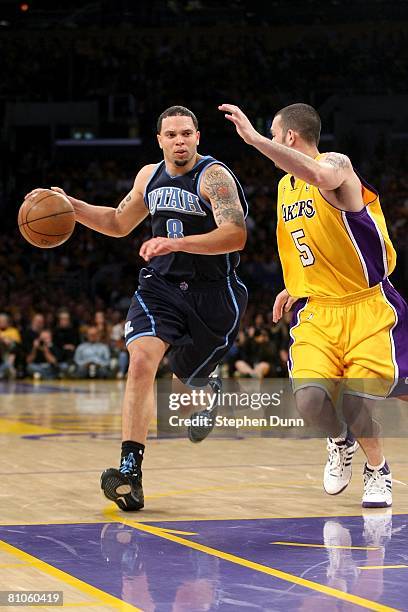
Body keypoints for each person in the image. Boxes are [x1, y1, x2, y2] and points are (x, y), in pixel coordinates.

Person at [26, 105, 248, 511]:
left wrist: (176, 242)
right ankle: (130, 471)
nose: (179, 141)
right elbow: (116, 222)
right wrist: (66, 203)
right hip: (160, 286)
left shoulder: (214, 177)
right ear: (159, 139)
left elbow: (235, 235)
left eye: (186, 133)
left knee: (187, 378)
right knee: (141, 362)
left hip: (213, 294)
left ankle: (205, 388)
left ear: (198, 137)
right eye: (171, 134)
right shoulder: (148, 176)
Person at [219, 101, 408, 508]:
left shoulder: (336, 165)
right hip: (319, 308)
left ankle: (378, 470)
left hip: (366, 305)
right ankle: (340, 441)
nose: (270, 141)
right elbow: (308, 245)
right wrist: (296, 286)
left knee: (361, 396)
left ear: (289, 136)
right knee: (309, 401)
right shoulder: (286, 188)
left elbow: (319, 175)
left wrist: (251, 140)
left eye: (272, 134)